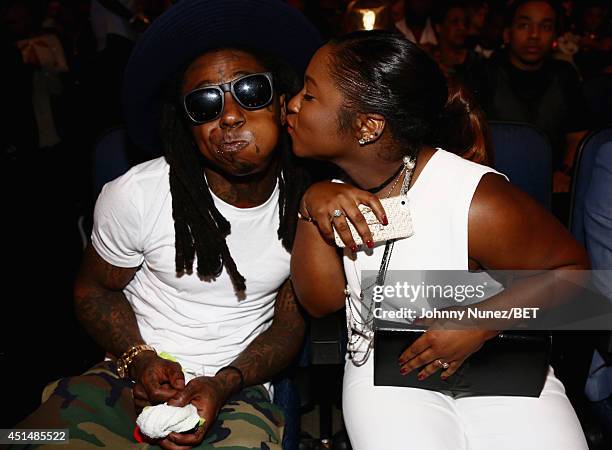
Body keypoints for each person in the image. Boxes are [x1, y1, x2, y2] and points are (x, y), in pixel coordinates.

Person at [14, 0, 322, 448]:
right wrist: (140, 359)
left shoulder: (308, 203)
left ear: (280, 103)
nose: (231, 115)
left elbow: (289, 324)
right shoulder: (138, 193)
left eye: (250, 91)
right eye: (205, 103)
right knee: (30, 439)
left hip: (238, 383)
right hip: (128, 373)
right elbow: (92, 289)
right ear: (188, 125)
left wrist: (224, 383)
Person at [288, 30, 590, 449]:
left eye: (310, 95)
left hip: (496, 356)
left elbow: (575, 277)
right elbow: (320, 302)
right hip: (383, 361)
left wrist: (479, 322)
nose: (292, 104)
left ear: (367, 126)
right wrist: (310, 205)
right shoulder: (326, 188)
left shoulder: (476, 201)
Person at [466, 0, 589, 199]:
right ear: (507, 33)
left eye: (545, 27)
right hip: (492, 186)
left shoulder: (565, 76)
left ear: (555, 36)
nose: (534, 35)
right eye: (524, 25)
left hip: (551, 188)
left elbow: (577, 137)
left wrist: (564, 173)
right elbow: (465, 138)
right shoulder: (483, 74)